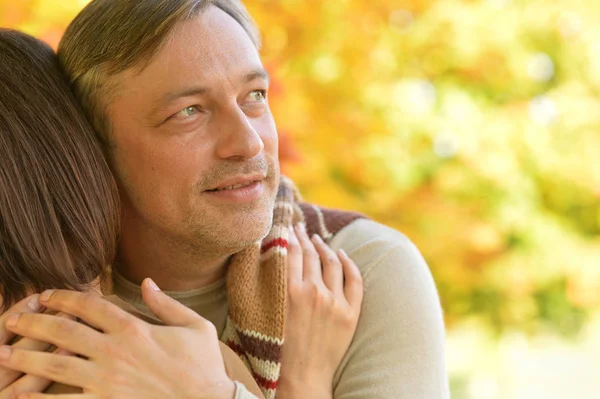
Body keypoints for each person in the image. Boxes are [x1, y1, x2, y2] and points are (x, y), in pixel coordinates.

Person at [0, 0, 450, 398]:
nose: (249, 143)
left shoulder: (358, 272)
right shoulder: (36, 310)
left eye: (255, 96)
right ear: (93, 145)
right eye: (188, 112)